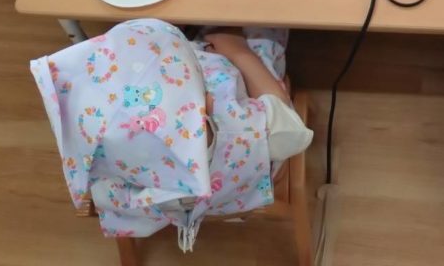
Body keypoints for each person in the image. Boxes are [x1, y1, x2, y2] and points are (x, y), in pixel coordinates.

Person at [31, 19, 313, 248]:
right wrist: (239, 52)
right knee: (264, 36)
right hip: (249, 170)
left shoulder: (108, 166)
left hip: (184, 206)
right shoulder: (243, 131)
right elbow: (292, 131)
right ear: (209, 102)